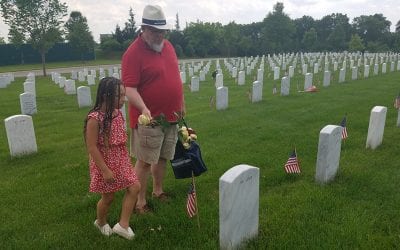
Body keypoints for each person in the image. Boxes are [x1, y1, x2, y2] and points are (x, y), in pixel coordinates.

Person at [121, 5, 185, 214]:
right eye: (156, 32)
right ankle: (139, 202)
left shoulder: (168, 47)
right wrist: (144, 108)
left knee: (164, 156)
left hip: (171, 116)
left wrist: (181, 104)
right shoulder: (133, 53)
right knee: (145, 161)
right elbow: (129, 88)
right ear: (144, 29)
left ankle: (158, 190)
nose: (160, 36)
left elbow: (175, 78)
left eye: (163, 31)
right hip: (149, 118)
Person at [84, 77, 140, 240]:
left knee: (135, 187)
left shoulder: (117, 113)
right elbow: (92, 147)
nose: (123, 100)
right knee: (108, 197)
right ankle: (101, 222)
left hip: (121, 159)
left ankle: (123, 225)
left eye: (124, 95)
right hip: (104, 162)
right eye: (119, 96)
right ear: (105, 96)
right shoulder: (95, 118)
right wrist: (105, 170)